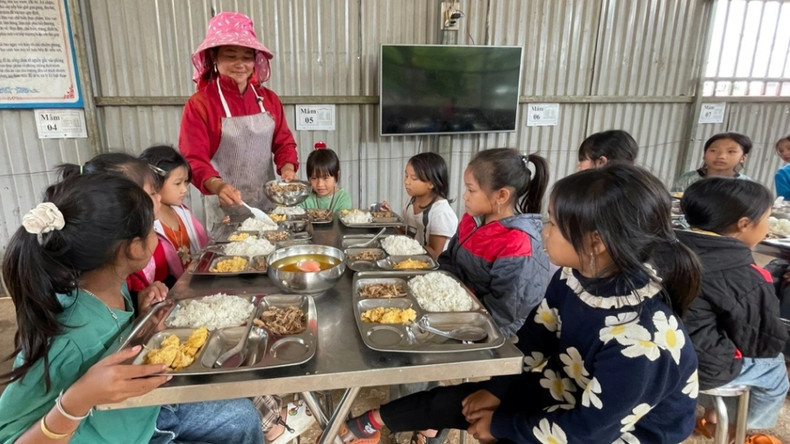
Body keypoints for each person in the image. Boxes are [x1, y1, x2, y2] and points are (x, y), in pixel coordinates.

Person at [335, 164, 702, 444]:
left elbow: (589, 432)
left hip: (614, 433)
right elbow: (532, 339)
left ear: (596, 242)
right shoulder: (574, 277)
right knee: (462, 401)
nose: (543, 230)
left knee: (494, 425)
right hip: (567, 388)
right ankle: (380, 418)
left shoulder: (641, 340)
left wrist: (503, 425)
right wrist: (496, 390)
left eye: (554, 224)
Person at [0, 174, 263, 443]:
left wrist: (142, 319)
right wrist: (77, 399)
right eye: (153, 227)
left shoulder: (114, 287)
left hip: (144, 414)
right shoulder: (69, 338)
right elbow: (10, 436)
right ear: (134, 248)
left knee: (241, 417)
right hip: (114, 433)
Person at [677, 177, 789, 442]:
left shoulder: (666, 248)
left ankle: (710, 414)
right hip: (701, 366)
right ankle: (736, 429)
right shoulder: (744, 274)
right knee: (773, 369)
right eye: (767, 219)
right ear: (744, 224)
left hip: (663, 353)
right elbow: (762, 341)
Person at [179, 11, 299, 226]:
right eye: (230, 55)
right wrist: (218, 186)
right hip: (225, 207)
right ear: (214, 57)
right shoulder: (200, 104)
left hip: (268, 204)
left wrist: (288, 169)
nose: (240, 64)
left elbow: (284, 142)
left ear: (255, 60)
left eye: (246, 56)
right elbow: (193, 158)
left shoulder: (268, 99)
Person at [438, 148, 550, 338]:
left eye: (471, 190)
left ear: (501, 196)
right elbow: (448, 261)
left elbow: (504, 311)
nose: (465, 196)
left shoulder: (516, 244)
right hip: (458, 310)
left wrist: (457, 318)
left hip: (495, 331)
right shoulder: (470, 221)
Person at [57, 153, 168, 303]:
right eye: (152, 193)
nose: (159, 197)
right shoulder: (110, 267)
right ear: (122, 202)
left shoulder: (116, 275)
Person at [140, 145, 210, 280]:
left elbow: (204, 244)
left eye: (185, 182)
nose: (184, 189)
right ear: (154, 182)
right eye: (177, 183)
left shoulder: (183, 213)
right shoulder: (149, 225)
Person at [383, 153, 458, 259]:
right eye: (406, 176)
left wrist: (403, 250)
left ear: (431, 183)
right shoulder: (411, 201)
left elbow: (435, 253)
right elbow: (407, 237)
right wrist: (391, 219)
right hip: (412, 260)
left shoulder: (441, 213)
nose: (406, 182)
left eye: (414, 178)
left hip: (432, 269)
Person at [671, 132, 752, 194]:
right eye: (713, 151)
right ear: (704, 154)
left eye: (731, 151)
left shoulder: (747, 185)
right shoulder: (688, 179)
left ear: (743, 158)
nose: (721, 156)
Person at [299, 144, 352, 216]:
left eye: (325, 178)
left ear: (337, 176)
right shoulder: (304, 198)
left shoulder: (343, 199)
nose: (320, 184)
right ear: (309, 178)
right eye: (314, 178)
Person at [773, 135, 790, 199]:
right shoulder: (782, 173)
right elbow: (784, 198)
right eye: (781, 151)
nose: (784, 153)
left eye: (789, 148)